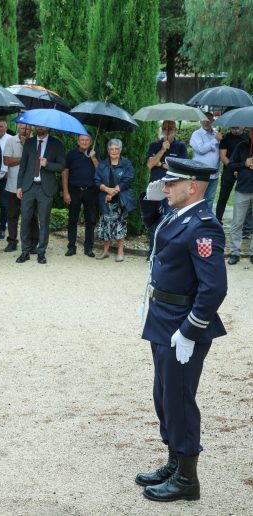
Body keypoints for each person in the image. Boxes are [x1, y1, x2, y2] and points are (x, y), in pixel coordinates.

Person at [137, 157, 227, 502]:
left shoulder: (204, 225)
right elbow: (155, 230)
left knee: (179, 399)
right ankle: (175, 462)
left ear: (192, 187)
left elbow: (214, 288)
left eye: (171, 183)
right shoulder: (180, 215)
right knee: (164, 394)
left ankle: (188, 479)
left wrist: (191, 329)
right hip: (163, 318)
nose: (165, 186)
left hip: (181, 325)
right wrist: (150, 198)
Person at [16, 126, 66, 264]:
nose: (40, 128)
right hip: (28, 187)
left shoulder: (57, 144)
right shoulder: (29, 142)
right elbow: (23, 166)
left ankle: (41, 252)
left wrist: (47, 164)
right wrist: (19, 186)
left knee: (43, 221)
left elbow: (62, 166)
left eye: (43, 126)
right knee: (25, 219)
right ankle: (25, 251)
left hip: (46, 189)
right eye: (38, 125)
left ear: (48, 128)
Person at [146, 121, 188, 252]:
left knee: (171, 220)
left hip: (174, 189)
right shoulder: (154, 145)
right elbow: (150, 164)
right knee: (153, 219)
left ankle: (168, 252)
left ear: (175, 130)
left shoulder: (181, 147)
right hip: (156, 188)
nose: (167, 130)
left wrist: (162, 164)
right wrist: (163, 149)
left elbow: (181, 169)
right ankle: (153, 251)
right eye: (164, 128)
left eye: (170, 128)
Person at [94, 139, 135, 261]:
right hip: (105, 199)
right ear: (108, 150)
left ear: (120, 150)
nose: (114, 151)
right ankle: (105, 251)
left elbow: (128, 180)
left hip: (121, 200)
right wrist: (107, 190)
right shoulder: (102, 164)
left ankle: (120, 252)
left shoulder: (126, 163)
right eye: (111, 149)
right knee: (105, 225)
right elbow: (96, 180)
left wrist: (114, 192)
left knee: (120, 226)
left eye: (117, 148)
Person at [3, 123, 38, 253]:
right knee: (12, 215)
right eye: (23, 128)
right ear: (18, 128)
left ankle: (33, 243)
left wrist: (27, 147)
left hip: (30, 186)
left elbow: (36, 162)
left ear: (31, 130)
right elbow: (6, 161)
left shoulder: (35, 143)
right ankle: (12, 242)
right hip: (12, 185)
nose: (25, 131)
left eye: (28, 129)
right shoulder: (11, 141)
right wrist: (23, 158)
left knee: (32, 216)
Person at [62, 134, 99, 257]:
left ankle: (88, 248)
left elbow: (100, 171)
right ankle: (71, 247)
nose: (84, 142)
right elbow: (65, 173)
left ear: (91, 141)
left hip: (91, 191)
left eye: (87, 140)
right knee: (72, 220)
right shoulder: (71, 154)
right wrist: (66, 192)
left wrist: (93, 158)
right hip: (74, 191)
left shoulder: (95, 153)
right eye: (82, 140)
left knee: (91, 220)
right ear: (78, 141)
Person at [216, 127, 253, 232]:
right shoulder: (226, 137)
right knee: (223, 197)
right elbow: (223, 156)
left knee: (247, 199)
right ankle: (218, 221)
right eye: (233, 126)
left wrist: (240, 169)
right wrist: (236, 168)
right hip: (229, 170)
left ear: (243, 126)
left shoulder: (247, 138)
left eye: (238, 126)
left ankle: (247, 227)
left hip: (244, 173)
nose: (235, 128)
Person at [226, 131, 253, 265]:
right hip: (242, 189)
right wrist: (245, 163)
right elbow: (231, 165)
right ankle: (234, 252)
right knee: (237, 223)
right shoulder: (242, 146)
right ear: (250, 132)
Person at [189, 113, 222, 211]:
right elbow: (201, 149)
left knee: (210, 200)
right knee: (197, 199)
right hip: (200, 174)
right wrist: (215, 140)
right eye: (204, 119)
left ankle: (206, 221)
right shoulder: (196, 134)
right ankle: (195, 221)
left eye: (209, 119)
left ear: (212, 120)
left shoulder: (217, 134)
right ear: (200, 121)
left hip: (214, 174)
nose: (206, 121)